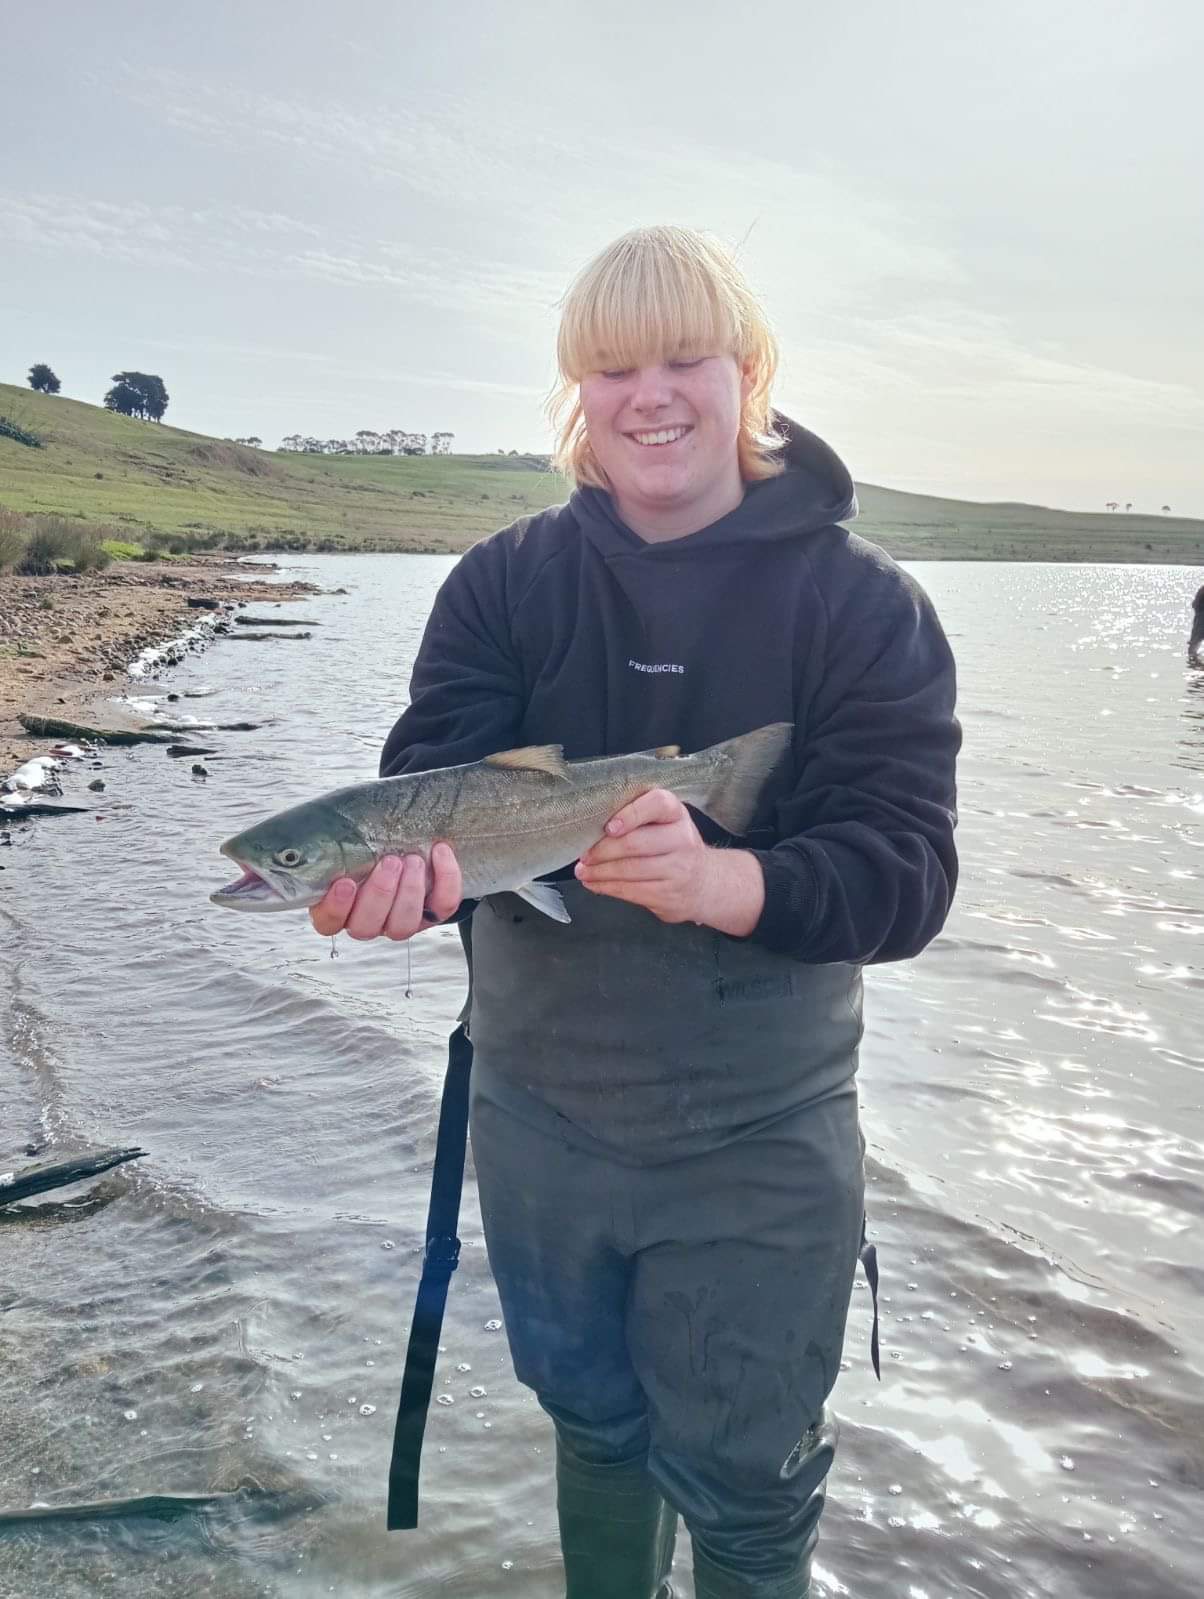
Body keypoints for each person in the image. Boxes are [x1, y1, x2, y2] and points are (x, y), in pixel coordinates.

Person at [311, 225, 960, 1599]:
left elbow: (911, 873)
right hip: (541, 1118)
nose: (649, 395)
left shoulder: (863, 605)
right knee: (595, 1430)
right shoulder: (504, 584)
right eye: (613, 369)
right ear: (575, 394)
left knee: (745, 1487)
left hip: (760, 1140)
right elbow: (430, 787)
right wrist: (402, 892)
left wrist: (734, 880)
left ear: (751, 372)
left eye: (684, 358)